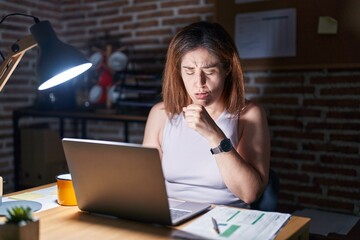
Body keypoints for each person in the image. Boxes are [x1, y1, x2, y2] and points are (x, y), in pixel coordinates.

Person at [143, 21, 270, 208]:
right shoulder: (161, 114)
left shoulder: (249, 115)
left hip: (225, 219)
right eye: (189, 71)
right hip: (169, 215)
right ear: (178, 71)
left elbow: (249, 193)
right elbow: (145, 183)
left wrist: (214, 135)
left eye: (209, 71)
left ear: (227, 68)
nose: (199, 82)